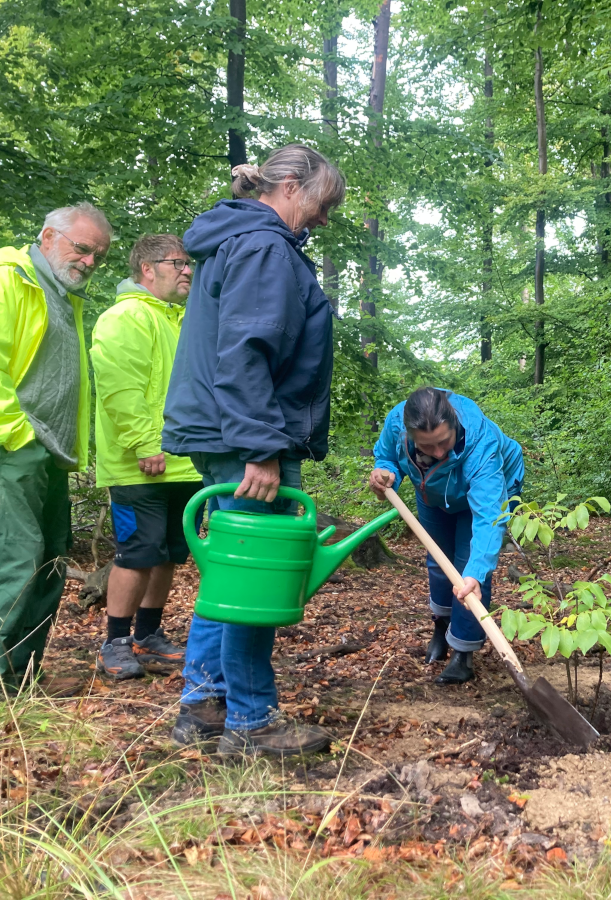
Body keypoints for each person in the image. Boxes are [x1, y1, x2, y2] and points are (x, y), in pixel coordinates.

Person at [162, 144, 345, 756]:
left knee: (230, 566)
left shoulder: (239, 236)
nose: (323, 220)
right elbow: (245, 354)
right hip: (244, 434)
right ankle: (250, 721)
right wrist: (260, 449)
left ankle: (204, 704)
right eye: (322, 205)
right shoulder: (265, 246)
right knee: (254, 577)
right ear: (290, 186)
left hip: (225, 431)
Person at [0, 202, 111, 692]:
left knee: (50, 563)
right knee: (18, 556)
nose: (88, 262)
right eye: (82, 249)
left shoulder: (65, 295)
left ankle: (22, 674)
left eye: (98, 257)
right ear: (48, 237)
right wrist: (19, 434)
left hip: (51, 453)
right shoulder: (10, 279)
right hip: (13, 446)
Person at [91, 234, 203, 680]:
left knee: (170, 553)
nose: (187, 270)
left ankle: (148, 635)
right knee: (137, 553)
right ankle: (115, 642)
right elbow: (121, 388)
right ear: (147, 269)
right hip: (141, 463)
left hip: (183, 463)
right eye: (177, 263)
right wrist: (144, 443)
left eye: (188, 263)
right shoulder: (126, 317)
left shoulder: (180, 320)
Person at [369, 388, 524, 685]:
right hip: (433, 493)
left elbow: (489, 519)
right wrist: (385, 473)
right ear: (410, 434)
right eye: (427, 446)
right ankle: (441, 629)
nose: (438, 452)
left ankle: (463, 655)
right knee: (438, 563)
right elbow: (387, 456)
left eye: (443, 442)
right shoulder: (396, 424)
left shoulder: (481, 446)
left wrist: (477, 573)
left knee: (469, 572)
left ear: (454, 423)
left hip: (482, 496)